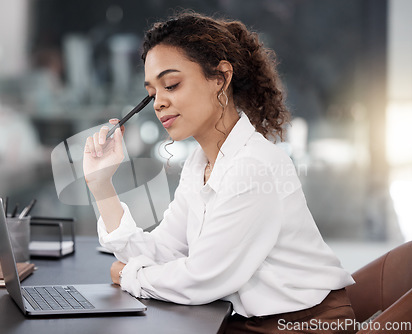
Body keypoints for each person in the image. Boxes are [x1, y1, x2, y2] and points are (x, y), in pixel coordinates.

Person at [83, 11, 356, 334]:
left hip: (302, 325)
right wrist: (102, 186)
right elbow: (162, 250)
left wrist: (130, 275)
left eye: (171, 84)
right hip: (247, 320)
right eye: (153, 94)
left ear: (221, 78)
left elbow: (201, 278)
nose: (158, 103)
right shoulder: (201, 165)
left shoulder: (252, 168)